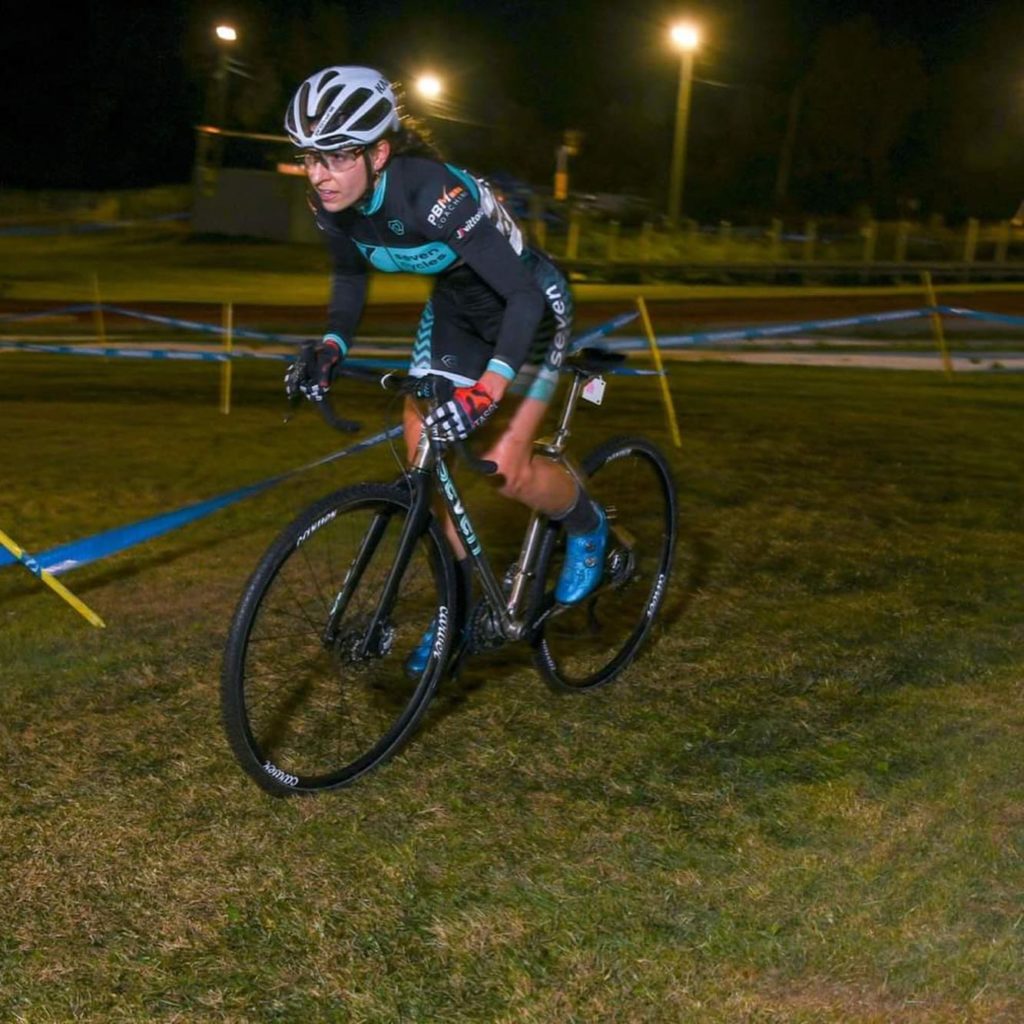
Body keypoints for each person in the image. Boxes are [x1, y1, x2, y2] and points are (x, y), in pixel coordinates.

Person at [283, 65, 607, 670]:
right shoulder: (331, 202)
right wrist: (331, 345)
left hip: (528, 313)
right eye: (309, 157)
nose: (320, 175)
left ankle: (587, 525)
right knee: (423, 466)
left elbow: (523, 297)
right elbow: (352, 274)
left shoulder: (432, 193)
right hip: (457, 312)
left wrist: (488, 389)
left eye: (336, 157)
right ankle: (454, 612)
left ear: (379, 151)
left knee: (502, 469)